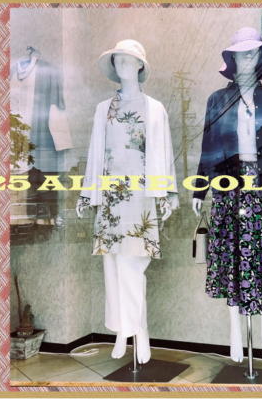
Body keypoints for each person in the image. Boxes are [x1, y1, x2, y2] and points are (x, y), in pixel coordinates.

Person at [192, 27, 262, 365]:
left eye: (252, 53)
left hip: (260, 188)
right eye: (240, 54)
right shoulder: (217, 100)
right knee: (232, 260)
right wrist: (200, 188)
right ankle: (234, 335)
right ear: (232, 59)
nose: (246, 60)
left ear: (259, 58)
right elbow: (209, 146)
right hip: (228, 189)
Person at [76, 39, 178, 364]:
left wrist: (167, 193)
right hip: (111, 196)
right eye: (117, 59)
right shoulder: (103, 109)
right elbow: (95, 152)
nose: (121, 64)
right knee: (113, 265)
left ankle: (137, 331)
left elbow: (163, 152)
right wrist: (87, 192)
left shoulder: (155, 109)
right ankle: (125, 330)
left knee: (133, 265)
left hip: (141, 195)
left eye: (127, 59)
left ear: (139, 65)